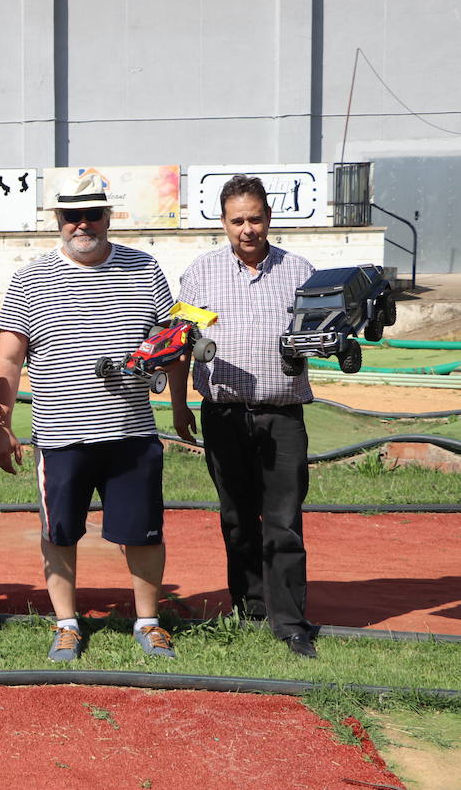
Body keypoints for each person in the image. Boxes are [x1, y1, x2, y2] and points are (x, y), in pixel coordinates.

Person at [0, 172, 177, 662]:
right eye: (72, 215)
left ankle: (149, 622)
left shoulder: (145, 269)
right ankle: (67, 624)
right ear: (58, 219)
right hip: (61, 435)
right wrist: (1, 427)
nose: (82, 224)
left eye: (93, 214)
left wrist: (178, 404)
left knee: (142, 532)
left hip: (131, 432)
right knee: (60, 533)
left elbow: (174, 342)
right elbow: (8, 359)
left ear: (108, 216)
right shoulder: (30, 277)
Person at [169, 174, 318, 657]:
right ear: (223, 222)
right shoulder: (199, 274)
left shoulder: (301, 272)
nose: (247, 229)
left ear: (269, 218)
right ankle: (250, 607)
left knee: (283, 519)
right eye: (238, 221)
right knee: (236, 517)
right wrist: (178, 405)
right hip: (223, 414)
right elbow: (179, 344)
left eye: (256, 218)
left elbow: (319, 335)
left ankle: (291, 621)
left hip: (282, 415)